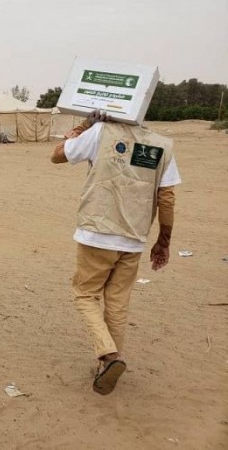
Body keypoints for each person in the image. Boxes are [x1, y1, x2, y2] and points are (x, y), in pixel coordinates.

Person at [51, 110, 181, 395]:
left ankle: (109, 356)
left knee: (85, 294)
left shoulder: (100, 132)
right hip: (133, 238)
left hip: (97, 232)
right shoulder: (162, 145)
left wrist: (85, 125)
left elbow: (58, 154)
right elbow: (167, 198)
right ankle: (106, 366)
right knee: (117, 302)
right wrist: (164, 241)